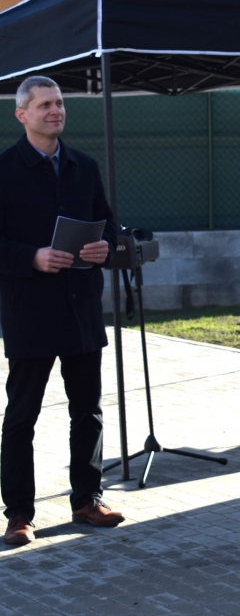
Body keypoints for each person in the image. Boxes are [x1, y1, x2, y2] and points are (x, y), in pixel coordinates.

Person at [1, 76, 123, 547]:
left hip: (80, 309)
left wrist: (104, 247)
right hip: (30, 311)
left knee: (87, 412)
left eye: (59, 104)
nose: (56, 111)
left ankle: (87, 500)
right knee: (21, 416)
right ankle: (18, 514)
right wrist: (30, 257)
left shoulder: (83, 167)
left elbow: (107, 225)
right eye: (45, 105)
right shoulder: (4, 169)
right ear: (22, 115)